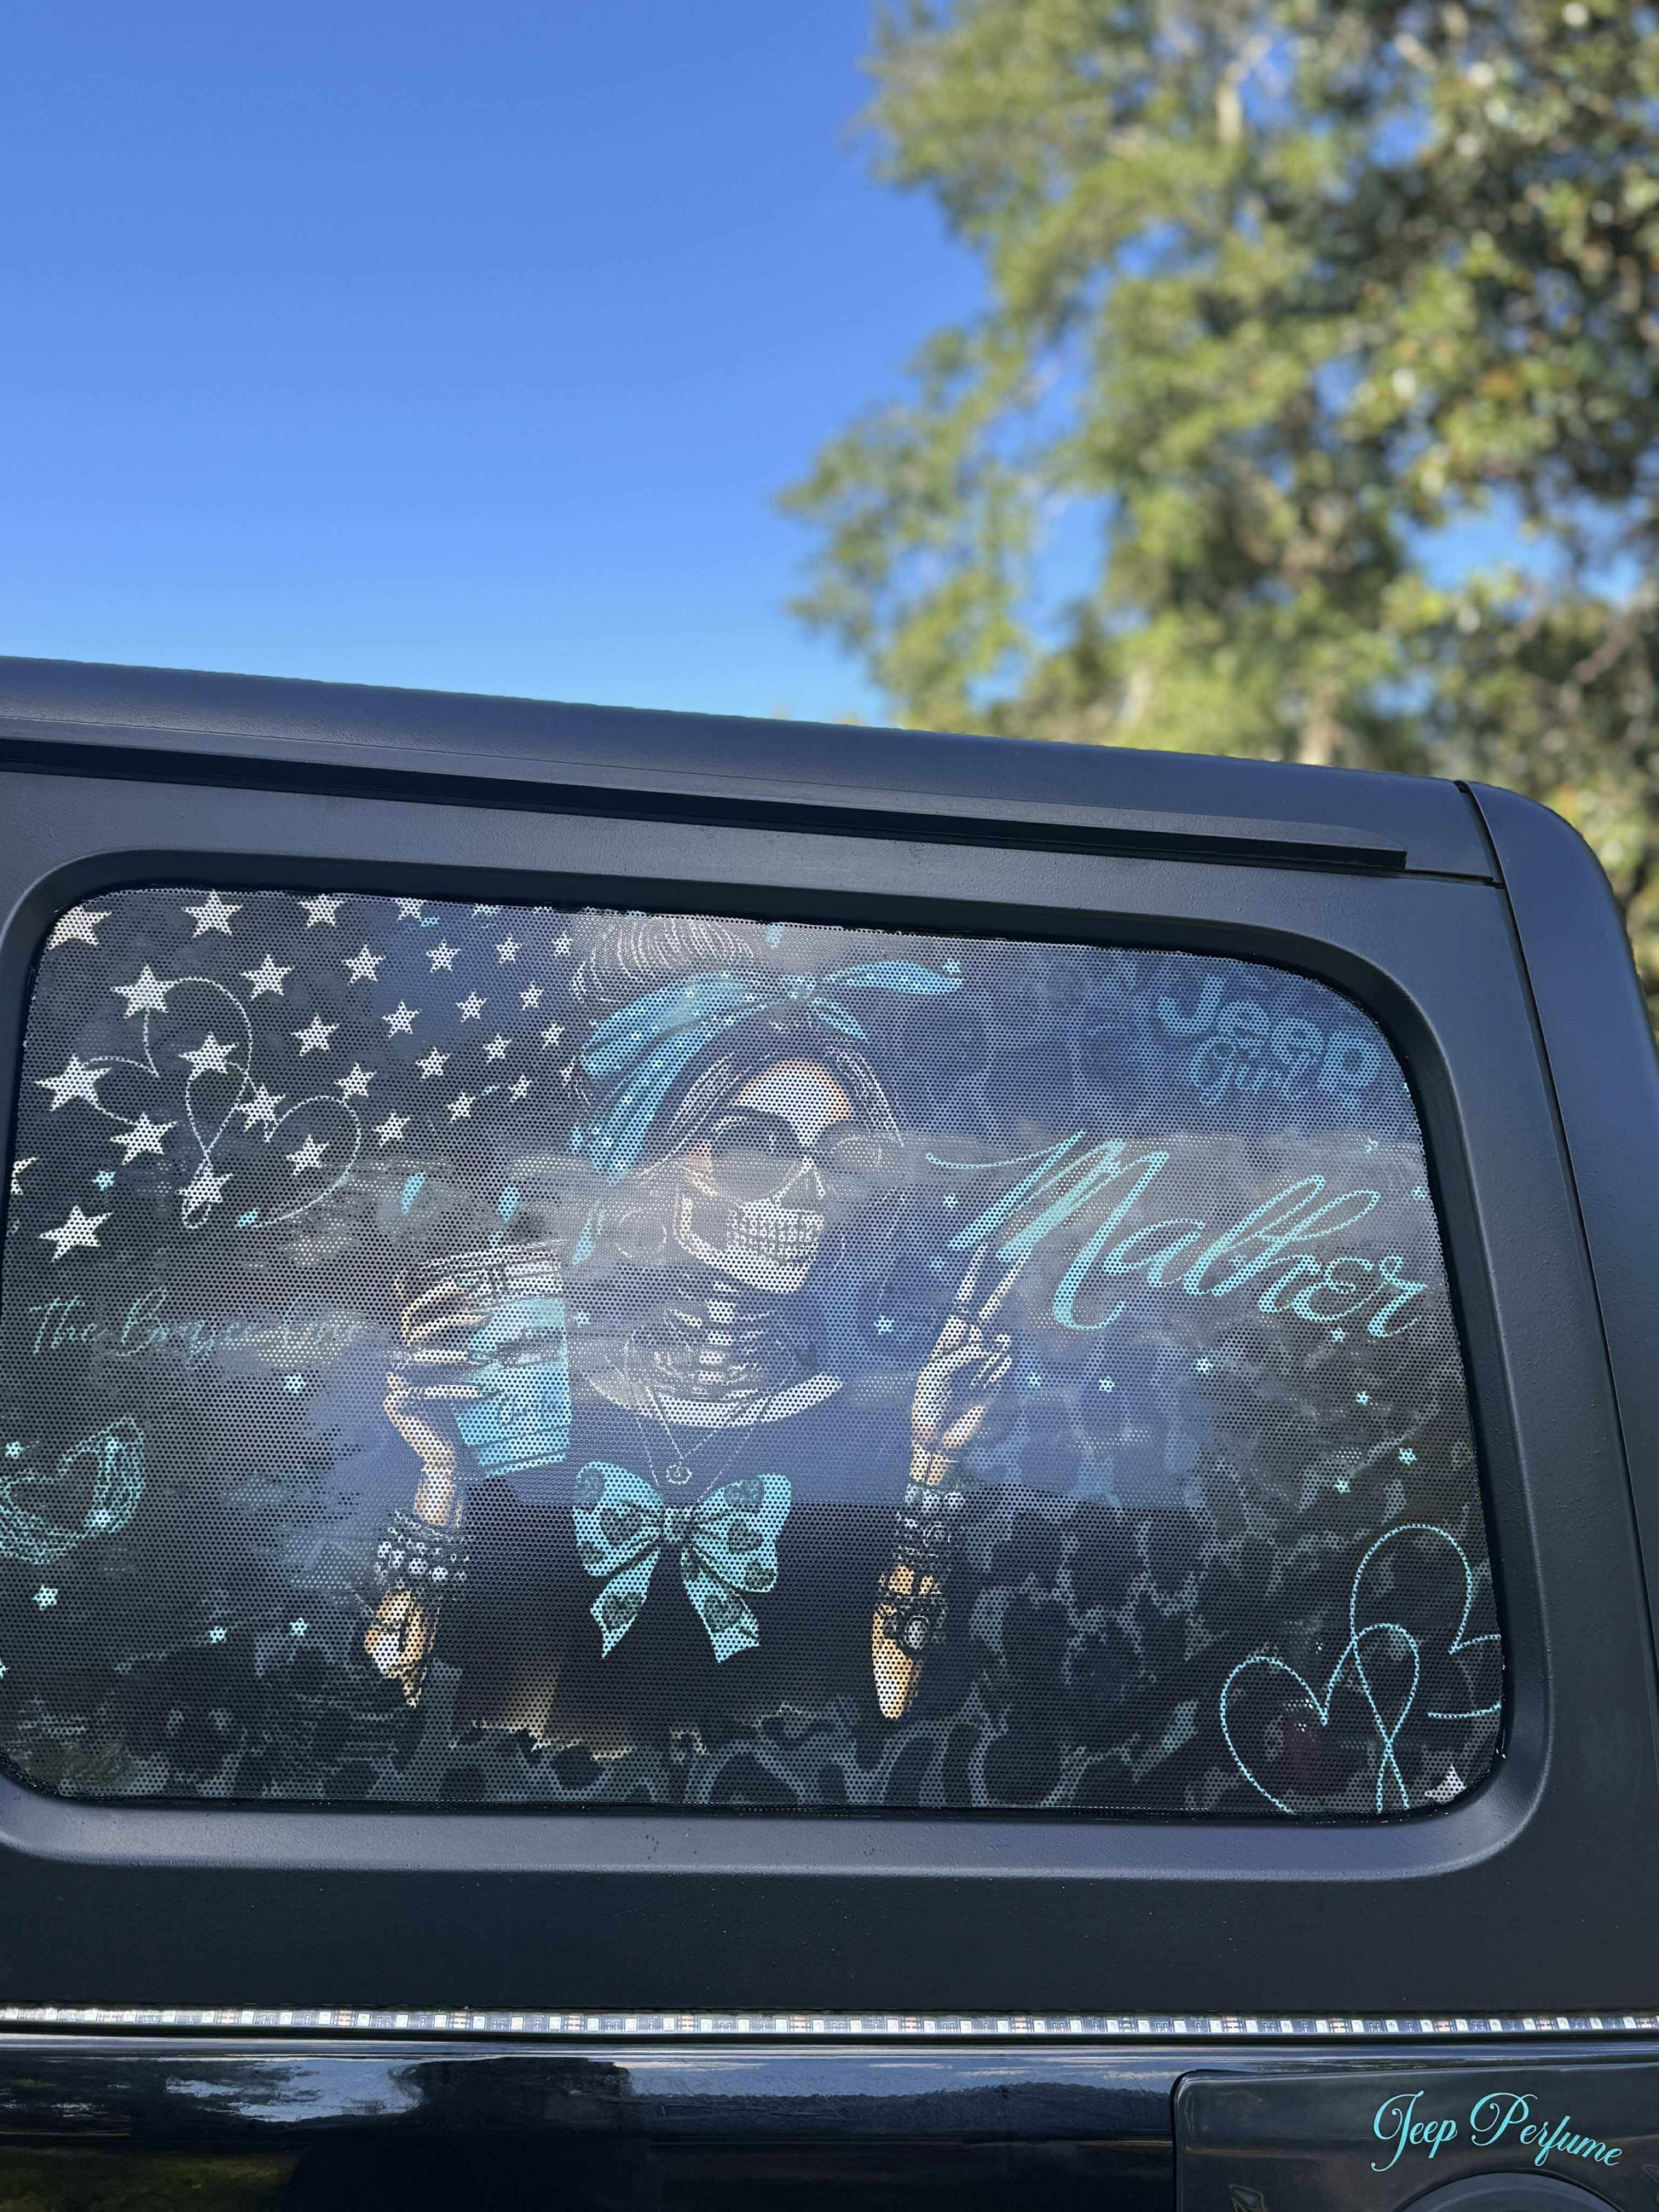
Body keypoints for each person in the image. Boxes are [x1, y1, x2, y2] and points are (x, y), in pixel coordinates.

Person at [362, 914, 1014, 1748]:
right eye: (753, 1148)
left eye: (836, 1157)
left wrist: (929, 1464)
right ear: (654, 1163)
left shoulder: (867, 1434)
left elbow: (889, 1711)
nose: (806, 1192)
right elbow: (397, 1701)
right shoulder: (531, 1422)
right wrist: (441, 1476)